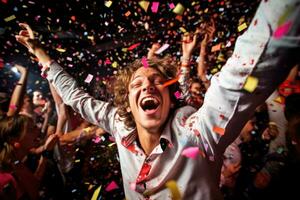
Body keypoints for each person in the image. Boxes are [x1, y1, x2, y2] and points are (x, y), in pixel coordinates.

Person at [15, 0, 300, 199]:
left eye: (156, 82)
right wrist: (39, 51)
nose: (148, 87)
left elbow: (247, 69)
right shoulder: (118, 124)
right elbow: (75, 97)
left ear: (169, 96)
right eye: (138, 84)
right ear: (127, 102)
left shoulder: (198, 133)